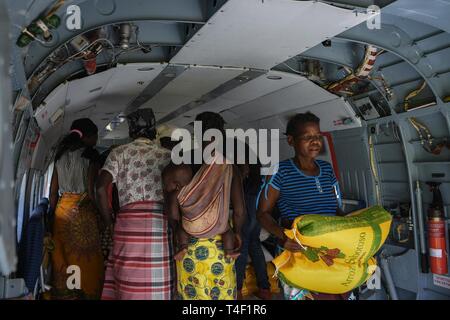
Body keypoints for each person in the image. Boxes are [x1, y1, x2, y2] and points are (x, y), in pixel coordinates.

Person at [256, 112, 347, 300]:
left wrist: (350, 228)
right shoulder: (279, 171)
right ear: (291, 141)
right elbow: (262, 213)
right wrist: (283, 236)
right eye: (307, 137)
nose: (314, 141)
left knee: (338, 294)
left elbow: (335, 208)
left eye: (317, 136)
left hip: (332, 248)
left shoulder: (327, 169)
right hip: (299, 250)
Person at [164, 112, 246, 300]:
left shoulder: (181, 161)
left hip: (189, 242)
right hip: (219, 243)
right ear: (221, 135)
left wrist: (177, 231)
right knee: (221, 291)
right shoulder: (228, 166)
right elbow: (240, 210)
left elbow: (171, 204)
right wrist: (238, 232)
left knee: (192, 292)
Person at [96, 108, 173, 300]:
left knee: (128, 279)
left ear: (131, 132)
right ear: (154, 131)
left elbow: (99, 188)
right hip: (160, 223)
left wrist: (109, 221)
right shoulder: (167, 155)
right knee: (159, 277)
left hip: (127, 224)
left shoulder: (119, 153)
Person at [48, 118, 104, 299]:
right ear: (88, 137)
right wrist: (102, 214)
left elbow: (53, 192)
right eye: (95, 136)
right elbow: (91, 189)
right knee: (87, 260)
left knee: (63, 258)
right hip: (82, 212)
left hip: (61, 211)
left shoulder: (59, 155)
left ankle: (67, 294)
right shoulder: (91, 155)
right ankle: (87, 293)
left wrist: (52, 217)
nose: (96, 140)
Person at [235, 147, 271, 300]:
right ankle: (265, 289)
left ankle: (237, 291)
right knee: (255, 246)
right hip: (258, 212)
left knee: (242, 247)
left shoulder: (246, 176)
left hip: (248, 210)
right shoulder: (261, 176)